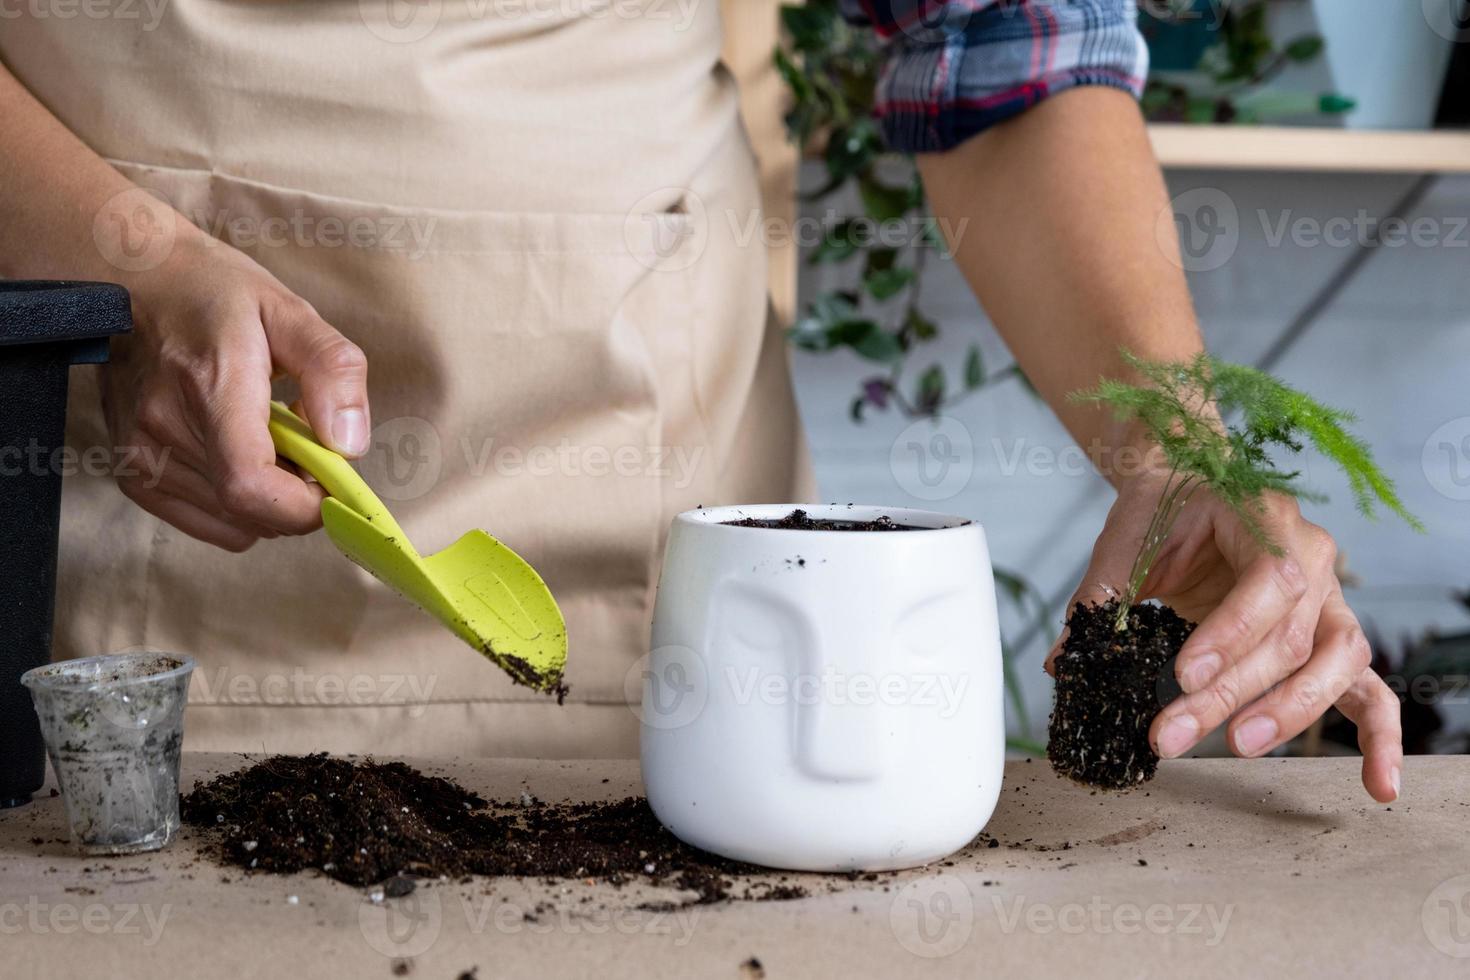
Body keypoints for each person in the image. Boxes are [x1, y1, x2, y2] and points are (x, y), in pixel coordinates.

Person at [0, 0, 1398, 801]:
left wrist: (1172, 440)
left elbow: (998, 66)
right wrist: (125, 264)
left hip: (637, 549)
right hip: (115, 538)